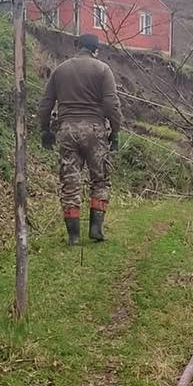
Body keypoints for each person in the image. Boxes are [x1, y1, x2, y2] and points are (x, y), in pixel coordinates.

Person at [39, 34, 122, 245]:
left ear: (79, 47)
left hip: (67, 130)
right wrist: (116, 131)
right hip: (95, 130)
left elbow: (46, 104)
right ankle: (96, 228)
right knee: (100, 178)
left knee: (70, 181)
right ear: (95, 49)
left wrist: (45, 130)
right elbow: (112, 104)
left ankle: (73, 236)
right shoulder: (103, 69)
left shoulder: (60, 69)